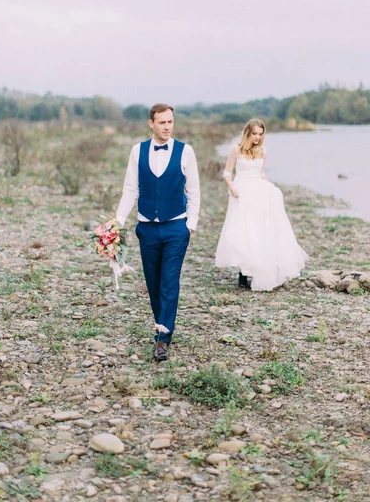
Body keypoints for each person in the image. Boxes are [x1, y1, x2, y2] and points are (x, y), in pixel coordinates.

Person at [116, 104, 200, 360]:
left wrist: (190, 225)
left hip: (176, 226)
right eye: (162, 122)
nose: (167, 127)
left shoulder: (186, 151)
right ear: (151, 123)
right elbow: (131, 189)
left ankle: (163, 336)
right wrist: (117, 222)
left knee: (169, 281)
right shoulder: (137, 151)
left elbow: (193, 191)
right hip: (147, 228)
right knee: (153, 283)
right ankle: (161, 323)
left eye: (170, 122)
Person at [215, 118, 307, 291]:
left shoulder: (263, 151)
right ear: (247, 133)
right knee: (244, 230)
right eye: (254, 133)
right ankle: (243, 272)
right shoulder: (236, 149)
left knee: (260, 230)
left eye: (260, 134)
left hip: (259, 190)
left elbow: (262, 173)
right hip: (242, 191)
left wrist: (271, 190)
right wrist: (232, 189)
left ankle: (259, 269)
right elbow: (227, 173)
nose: (257, 137)